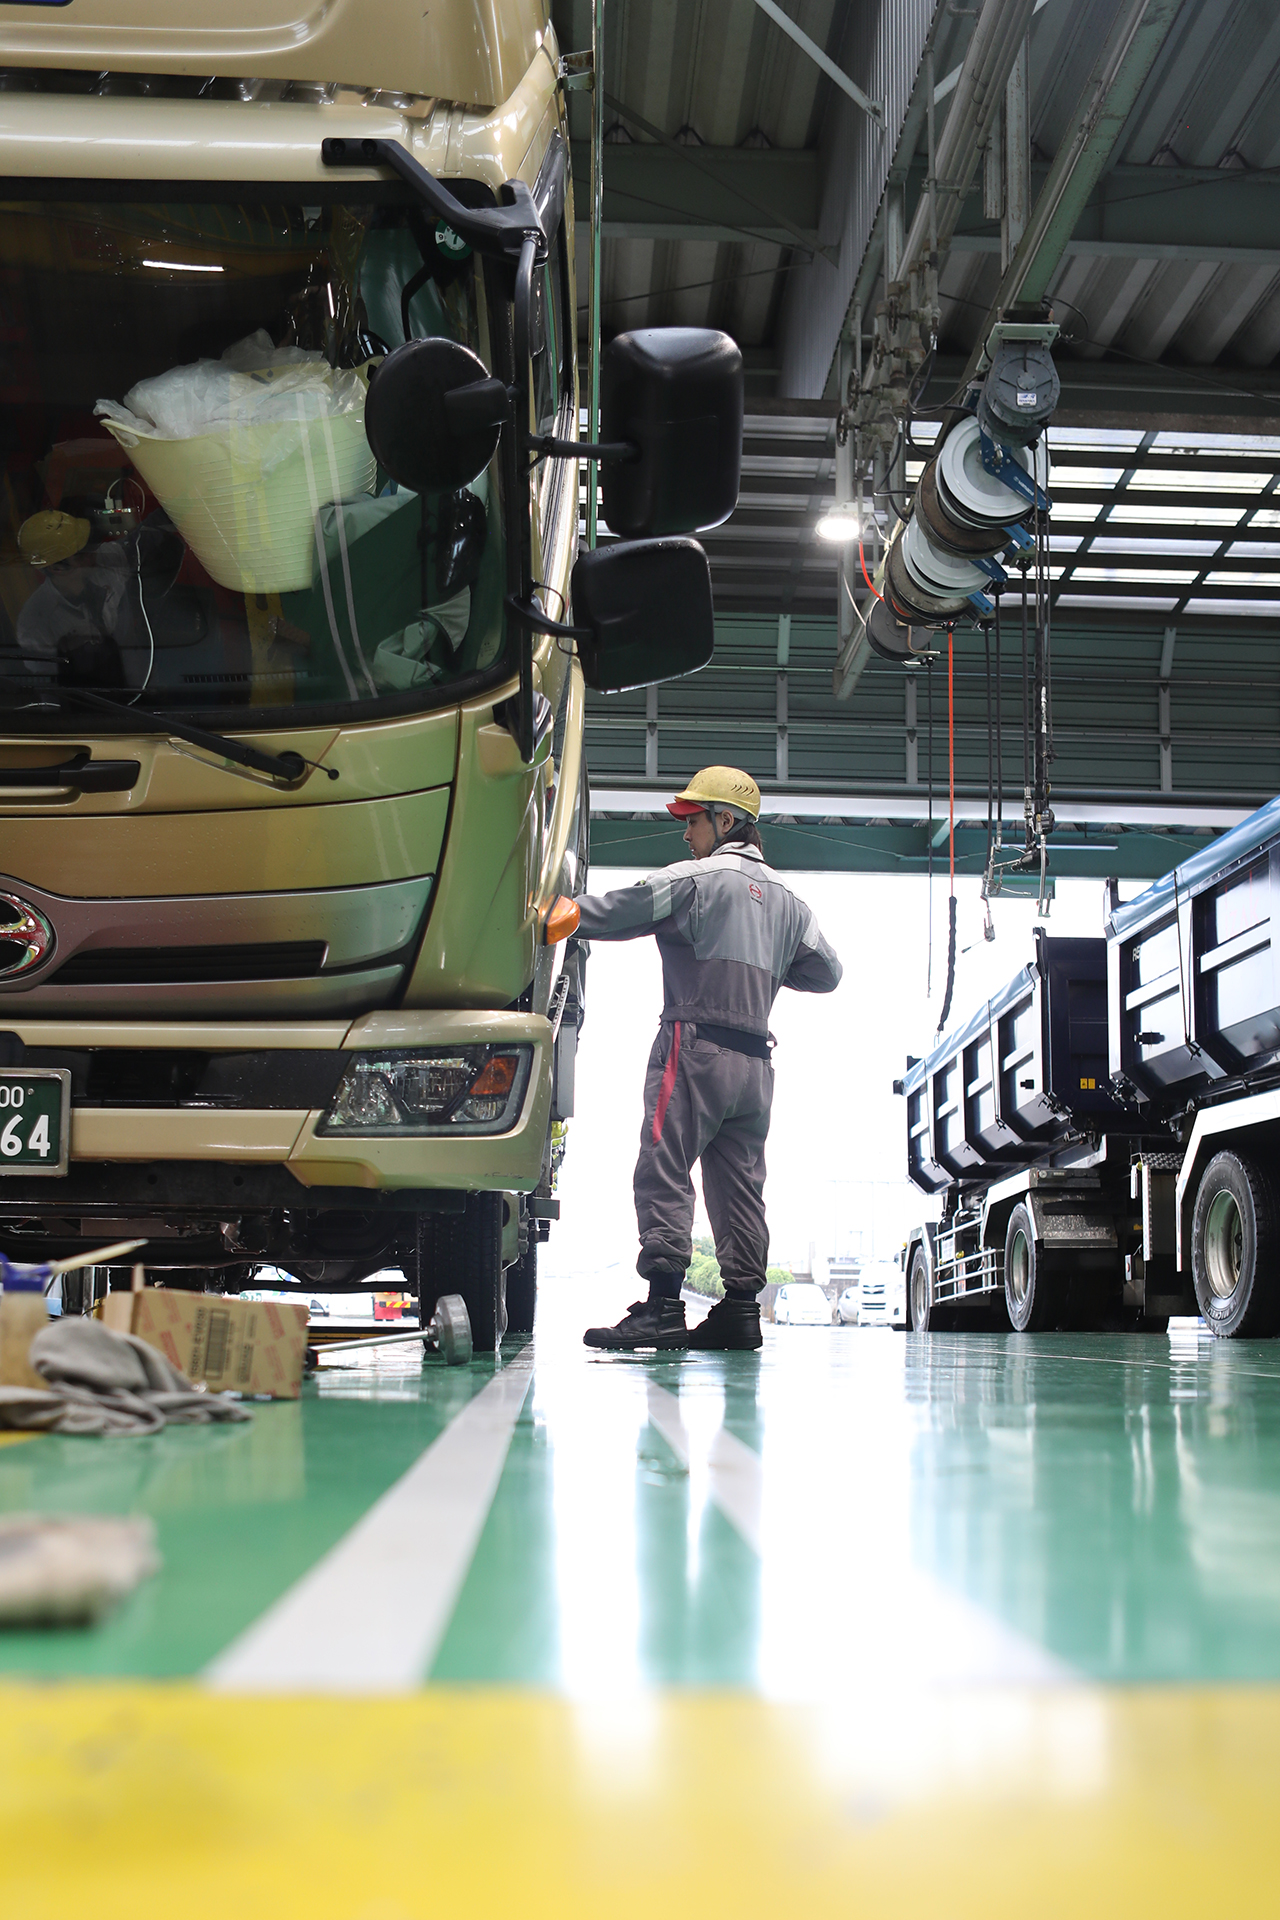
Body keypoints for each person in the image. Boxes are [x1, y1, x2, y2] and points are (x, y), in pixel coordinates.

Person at [576, 767, 842, 1353]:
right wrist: (771, 967)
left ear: (725, 821)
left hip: (693, 1048)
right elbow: (827, 972)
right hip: (755, 1066)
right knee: (740, 1186)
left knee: (664, 1164)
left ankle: (664, 1307)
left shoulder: (695, 880)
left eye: (693, 820)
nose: (686, 832)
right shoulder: (790, 903)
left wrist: (558, 914)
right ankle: (741, 1311)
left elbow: (624, 910)